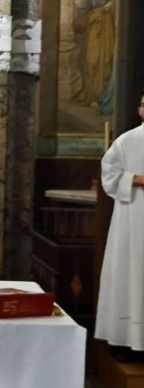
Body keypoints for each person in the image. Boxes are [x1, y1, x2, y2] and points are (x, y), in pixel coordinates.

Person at [95, 90, 144, 362]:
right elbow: (110, 176)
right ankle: (125, 341)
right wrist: (136, 179)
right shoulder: (127, 141)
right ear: (140, 111)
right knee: (129, 276)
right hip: (132, 220)